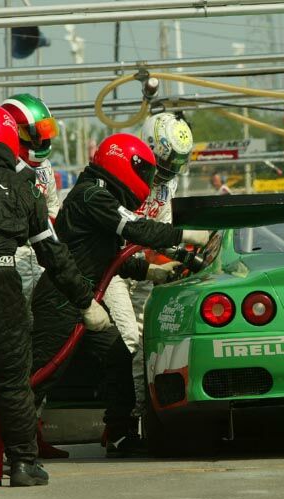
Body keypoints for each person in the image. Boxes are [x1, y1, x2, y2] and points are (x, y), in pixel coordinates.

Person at [30, 133, 210, 458]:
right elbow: (137, 229)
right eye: (143, 173)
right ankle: (11, 444)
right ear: (125, 165)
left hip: (83, 300)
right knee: (41, 372)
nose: (146, 182)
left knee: (118, 354)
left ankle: (118, 432)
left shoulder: (98, 196)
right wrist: (188, 235)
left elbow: (112, 259)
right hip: (61, 298)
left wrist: (151, 272)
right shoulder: (92, 197)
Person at [0, 105, 110, 487]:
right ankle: (22, 464)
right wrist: (85, 302)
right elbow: (53, 253)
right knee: (12, 381)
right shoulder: (23, 185)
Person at [103, 112, 194, 420]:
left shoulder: (169, 184)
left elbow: (163, 233)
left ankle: (136, 419)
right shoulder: (118, 169)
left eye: (175, 164)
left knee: (143, 344)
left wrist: (181, 259)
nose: (168, 170)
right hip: (112, 268)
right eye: (165, 162)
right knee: (127, 339)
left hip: (144, 270)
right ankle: (119, 423)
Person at [1, 95, 61, 328]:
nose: (40, 141)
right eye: (33, 134)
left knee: (44, 322)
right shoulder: (1, 168)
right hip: (12, 257)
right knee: (16, 323)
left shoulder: (45, 166)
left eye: (44, 133)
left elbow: (53, 206)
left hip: (42, 253)